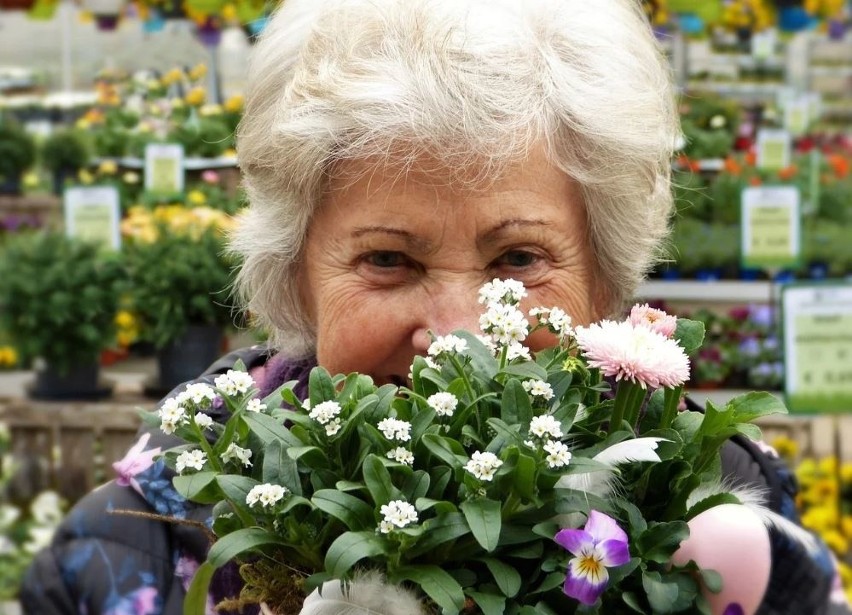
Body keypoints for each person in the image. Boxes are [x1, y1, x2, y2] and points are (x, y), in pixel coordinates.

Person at [20, 0, 848, 613]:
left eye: (519, 258)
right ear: (295, 275)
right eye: (388, 258)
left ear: (603, 278)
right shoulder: (131, 546)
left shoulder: (719, 529)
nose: (456, 337)